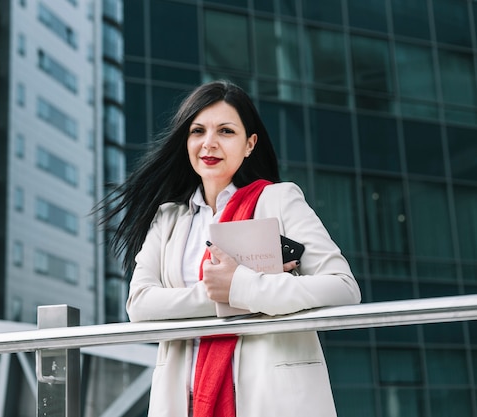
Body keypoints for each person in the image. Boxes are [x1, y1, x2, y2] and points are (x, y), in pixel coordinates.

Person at [97, 80, 361, 417]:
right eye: (197, 131)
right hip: (186, 402)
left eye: (225, 131)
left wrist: (244, 286)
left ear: (250, 144)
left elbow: (342, 287)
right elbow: (140, 306)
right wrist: (228, 294)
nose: (209, 143)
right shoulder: (168, 219)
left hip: (272, 398)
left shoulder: (278, 200)